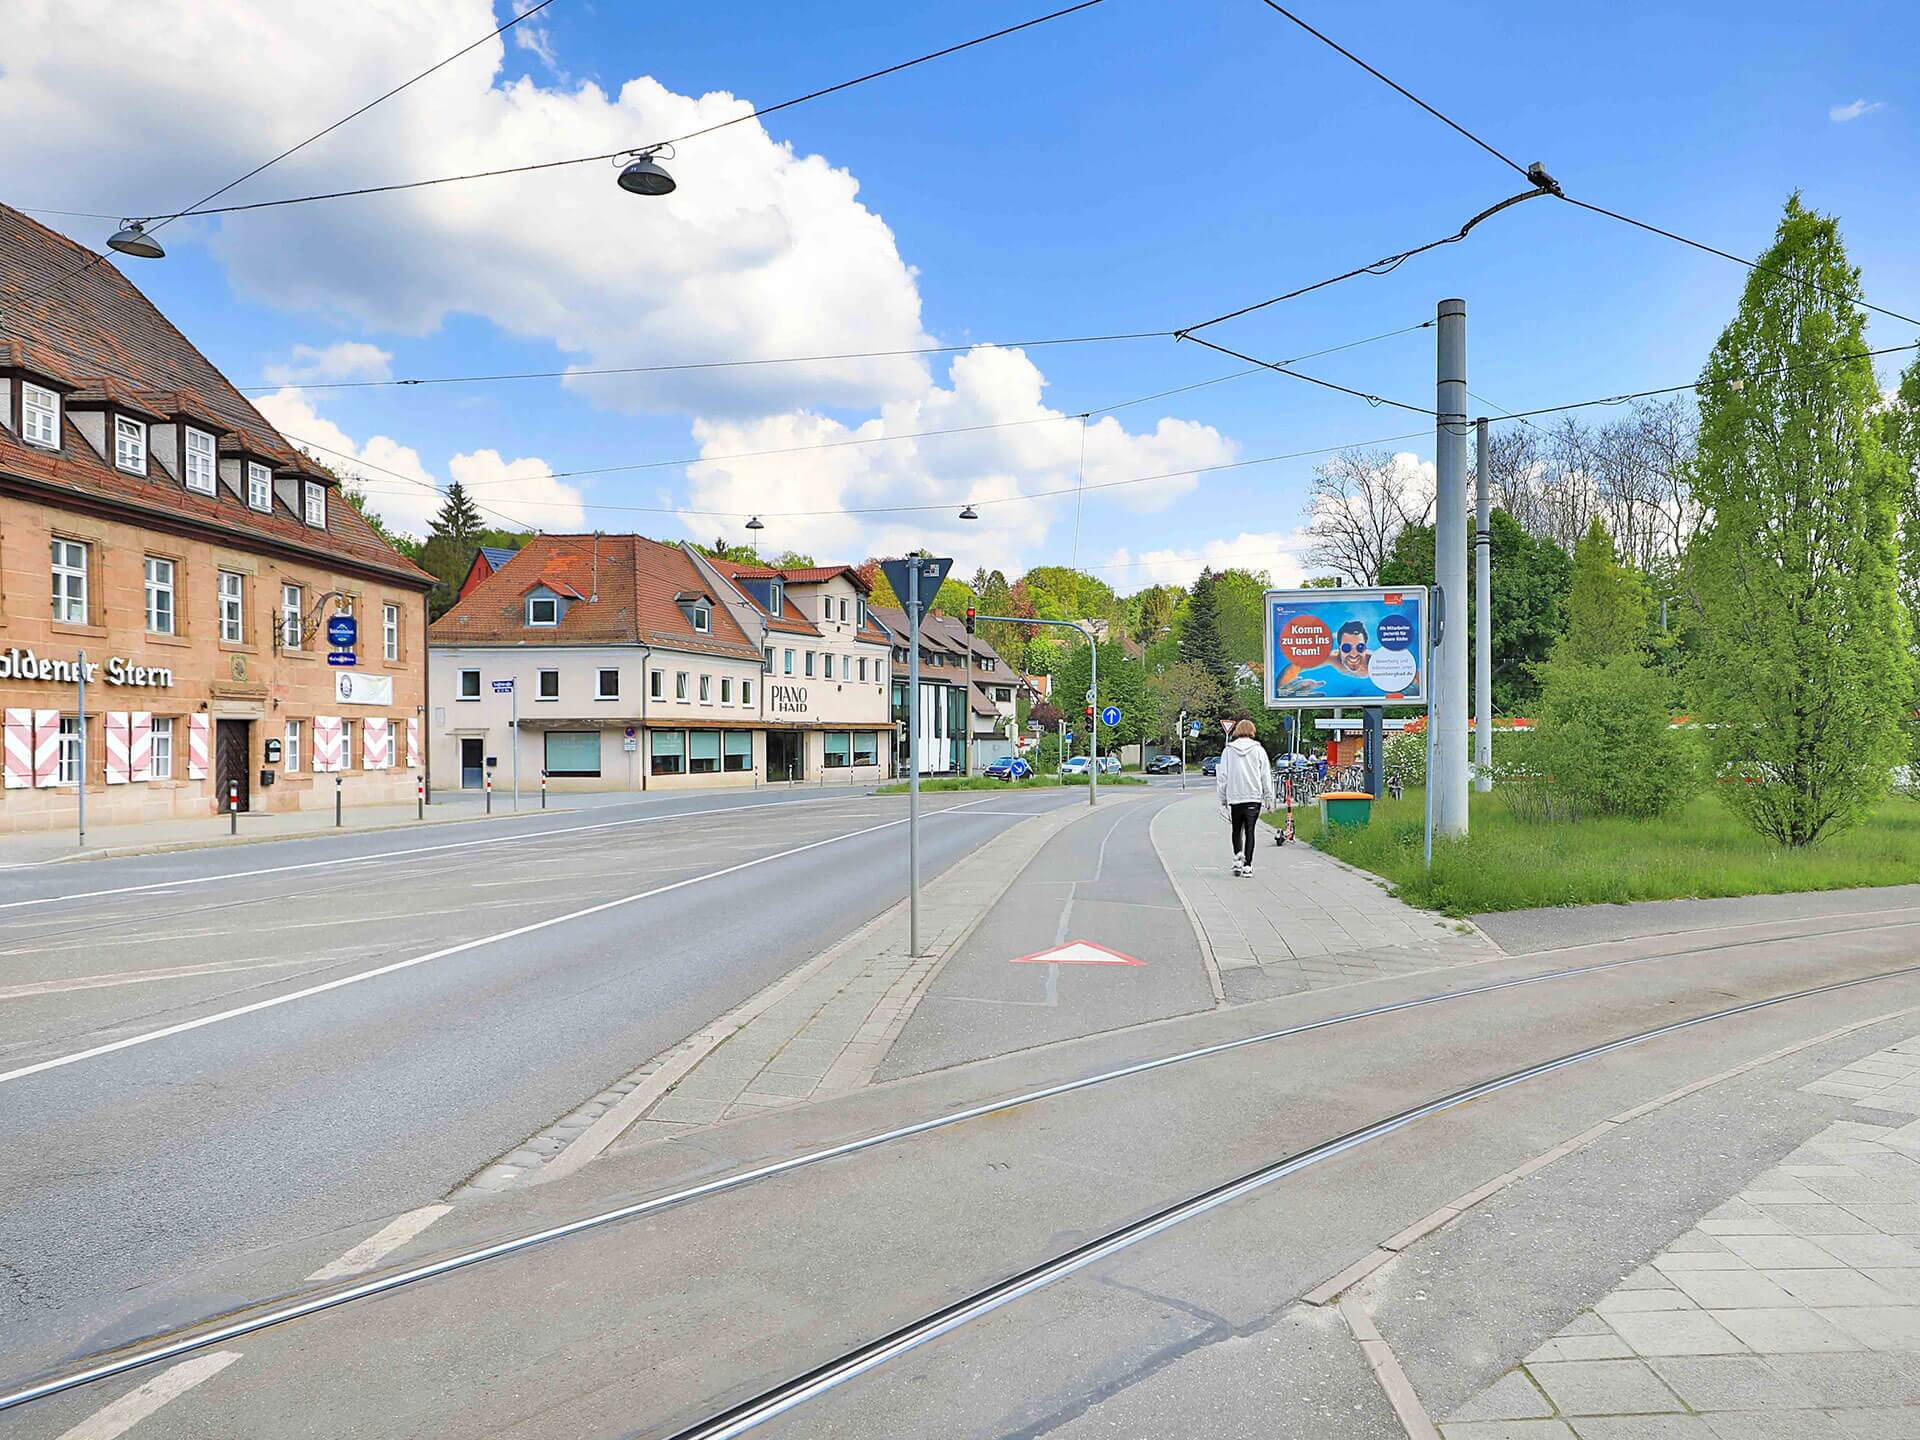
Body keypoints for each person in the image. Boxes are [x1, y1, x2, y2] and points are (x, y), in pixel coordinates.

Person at [1216, 718, 1277, 877]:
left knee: (1236, 829)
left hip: (1235, 796)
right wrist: (1269, 797)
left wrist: (1222, 799)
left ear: (1237, 731)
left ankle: (1237, 858)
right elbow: (1265, 775)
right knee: (1250, 830)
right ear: (1252, 731)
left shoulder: (1229, 750)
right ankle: (1248, 866)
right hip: (1253, 796)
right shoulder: (1259, 750)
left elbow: (1223, 776)